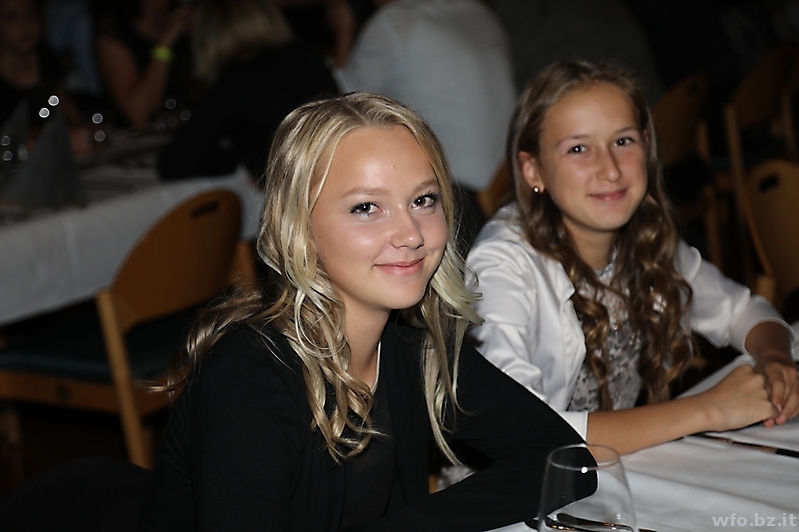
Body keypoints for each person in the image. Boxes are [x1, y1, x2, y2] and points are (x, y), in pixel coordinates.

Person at [138, 92, 581, 531]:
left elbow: (566, 460)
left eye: (423, 200)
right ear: (300, 229)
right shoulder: (247, 380)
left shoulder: (414, 347)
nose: (410, 234)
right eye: (366, 207)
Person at [467, 60, 799, 456]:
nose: (609, 170)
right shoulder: (502, 266)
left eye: (623, 142)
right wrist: (709, 409)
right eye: (578, 148)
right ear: (533, 170)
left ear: (646, 144)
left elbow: (742, 311)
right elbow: (521, 433)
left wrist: (775, 357)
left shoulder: (642, 235)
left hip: (612, 469)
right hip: (518, 487)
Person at [328, 0, 517, 248]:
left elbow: (340, 108)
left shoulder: (395, 22)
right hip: (509, 180)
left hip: (456, 201)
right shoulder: (479, 11)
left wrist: (344, 32)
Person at [157, 0, 338, 181]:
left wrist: (242, 160)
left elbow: (175, 163)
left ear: (209, 34)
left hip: (290, 185)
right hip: (331, 173)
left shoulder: (237, 78)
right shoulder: (307, 58)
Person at [94, 0, 194, 127]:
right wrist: (165, 43)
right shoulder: (113, 29)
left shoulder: (187, 16)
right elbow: (138, 115)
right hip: (138, 136)